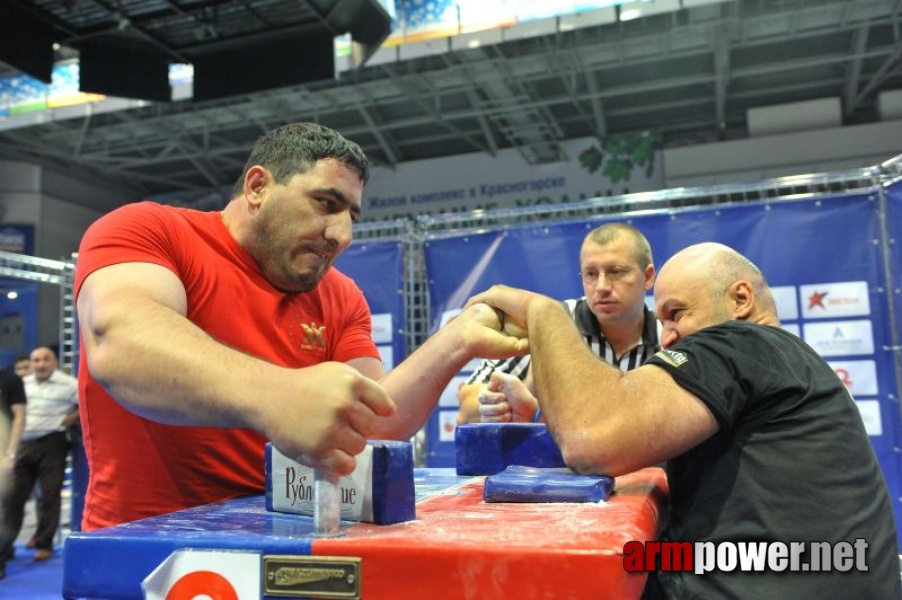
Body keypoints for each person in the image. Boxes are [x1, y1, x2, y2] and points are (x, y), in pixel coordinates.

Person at [74, 122, 527, 531]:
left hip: (284, 540)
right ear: (257, 187)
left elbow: (372, 425)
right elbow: (121, 342)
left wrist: (456, 341)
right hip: (142, 544)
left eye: (351, 215)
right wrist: (278, 396)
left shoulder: (340, 294)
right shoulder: (148, 230)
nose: (342, 235)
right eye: (325, 203)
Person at [468, 242, 900, 598]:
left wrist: (545, 314)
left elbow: (592, 440)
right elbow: (622, 439)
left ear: (740, 300)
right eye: (662, 320)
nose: (668, 334)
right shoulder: (780, 362)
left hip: (758, 580)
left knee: (551, 578)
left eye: (677, 314)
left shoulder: (743, 342)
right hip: (790, 571)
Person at [458, 223, 659, 424]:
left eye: (616, 272)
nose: (602, 287)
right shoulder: (551, 322)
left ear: (648, 277)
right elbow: (466, 407)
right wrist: (523, 392)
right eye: (590, 274)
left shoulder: (669, 337)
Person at [0, 347, 78, 569]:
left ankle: (44, 543)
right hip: (23, 444)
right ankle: (6, 547)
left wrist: (71, 418)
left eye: (45, 359)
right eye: (36, 360)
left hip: (52, 443)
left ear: (55, 362)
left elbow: (86, 403)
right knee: (12, 499)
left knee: (49, 496)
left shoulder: (69, 384)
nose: (40, 364)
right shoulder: (21, 383)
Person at [0, 362, 25, 579]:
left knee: (3, 510)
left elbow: (19, 417)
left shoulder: (10, 380)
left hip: (2, 451)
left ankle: (1, 557)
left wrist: (10, 454)